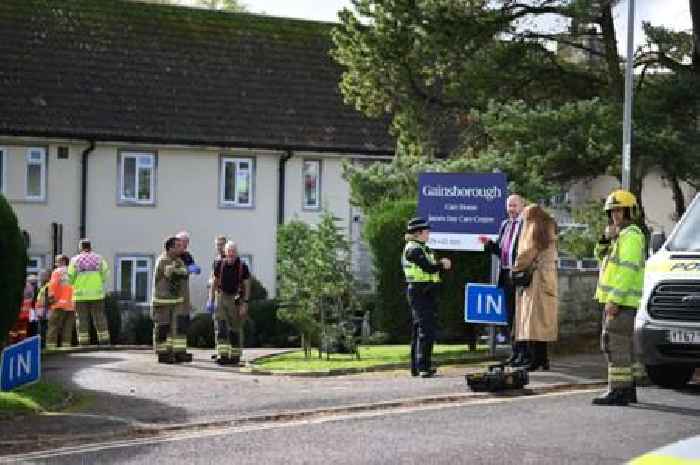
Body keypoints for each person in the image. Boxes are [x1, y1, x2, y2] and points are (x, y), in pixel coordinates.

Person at [592, 190, 645, 406]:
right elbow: (599, 255)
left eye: (620, 210)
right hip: (617, 301)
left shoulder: (631, 236)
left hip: (621, 302)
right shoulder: (619, 236)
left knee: (615, 345)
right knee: (618, 344)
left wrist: (614, 299)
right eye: (612, 211)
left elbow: (627, 271)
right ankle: (627, 389)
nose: (615, 215)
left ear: (630, 212)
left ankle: (619, 391)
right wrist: (606, 237)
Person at [511, 204, 558, 371]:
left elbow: (526, 253)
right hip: (548, 279)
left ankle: (534, 360)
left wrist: (516, 267)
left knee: (532, 322)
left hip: (536, 280)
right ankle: (543, 359)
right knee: (543, 323)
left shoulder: (534, 229)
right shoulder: (549, 227)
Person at [402, 217, 451, 378]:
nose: (429, 233)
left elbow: (432, 271)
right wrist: (442, 264)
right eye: (427, 231)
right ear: (418, 233)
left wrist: (440, 267)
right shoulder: (413, 249)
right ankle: (423, 366)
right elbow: (429, 268)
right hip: (419, 291)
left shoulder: (423, 248)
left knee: (420, 329)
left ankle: (417, 367)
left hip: (425, 291)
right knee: (425, 329)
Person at [481, 194, 525, 364]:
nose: (511, 209)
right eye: (509, 206)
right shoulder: (505, 225)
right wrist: (490, 245)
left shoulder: (525, 225)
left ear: (522, 207)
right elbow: (501, 252)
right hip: (505, 274)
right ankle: (514, 352)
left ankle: (523, 353)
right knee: (509, 315)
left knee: (520, 317)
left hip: (520, 275)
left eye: (514, 205)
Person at [151, 236, 190, 364]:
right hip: (162, 301)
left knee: (176, 329)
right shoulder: (163, 260)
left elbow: (184, 272)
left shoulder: (178, 260)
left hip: (175, 301)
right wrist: (182, 270)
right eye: (178, 246)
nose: (181, 248)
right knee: (163, 328)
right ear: (170, 248)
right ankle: (163, 354)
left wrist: (183, 270)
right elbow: (172, 274)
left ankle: (177, 353)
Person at [211, 241, 251, 366]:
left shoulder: (242, 266)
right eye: (229, 251)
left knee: (235, 329)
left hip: (236, 299)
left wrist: (245, 303)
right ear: (226, 252)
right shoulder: (219, 264)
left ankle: (235, 356)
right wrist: (211, 300)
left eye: (233, 251)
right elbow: (214, 282)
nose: (231, 254)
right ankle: (222, 355)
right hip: (222, 297)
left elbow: (247, 285)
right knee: (221, 326)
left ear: (236, 252)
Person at [68, 239, 110, 346]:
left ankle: (83, 342)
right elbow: (106, 273)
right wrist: (100, 281)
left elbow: (70, 277)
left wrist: (73, 284)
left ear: (80, 248)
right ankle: (104, 341)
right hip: (97, 294)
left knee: (82, 319)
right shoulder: (99, 258)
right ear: (90, 247)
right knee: (99, 317)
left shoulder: (75, 260)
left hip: (80, 296)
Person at [46, 254, 75, 350]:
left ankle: (51, 347)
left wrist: (51, 299)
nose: (55, 263)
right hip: (71, 304)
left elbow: (53, 285)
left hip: (59, 304)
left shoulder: (57, 272)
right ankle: (65, 347)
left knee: (53, 326)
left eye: (57, 261)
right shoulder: (73, 272)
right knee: (68, 327)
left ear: (62, 262)